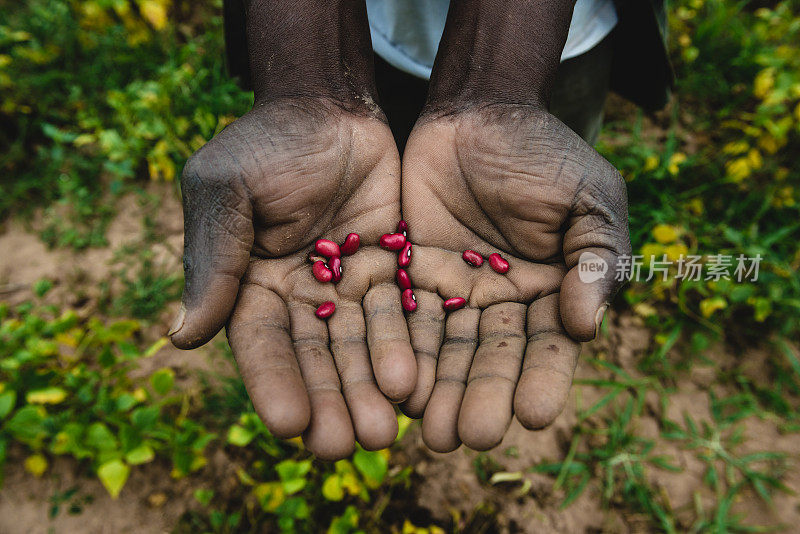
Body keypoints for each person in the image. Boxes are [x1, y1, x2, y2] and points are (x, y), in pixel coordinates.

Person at [169, 0, 672, 460]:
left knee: (517, 197)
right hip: (349, 29)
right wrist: (309, 89)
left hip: (546, 37)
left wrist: (501, 94)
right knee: (390, 181)